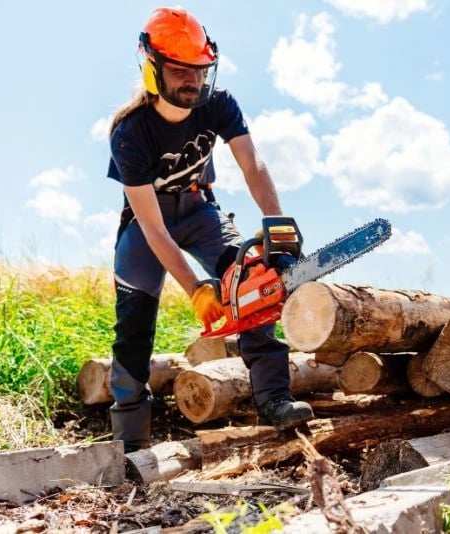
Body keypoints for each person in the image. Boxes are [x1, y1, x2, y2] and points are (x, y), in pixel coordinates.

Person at [106, 7, 313, 453]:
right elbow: (153, 227)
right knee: (134, 326)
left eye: (199, 72)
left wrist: (275, 223)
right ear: (152, 68)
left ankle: (275, 400)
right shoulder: (129, 132)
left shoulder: (219, 105)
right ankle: (130, 442)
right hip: (147, 226)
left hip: (200, 209)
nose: (192, 82)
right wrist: (196, 288)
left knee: (255, 281)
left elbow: (251, 163)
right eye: (180, 71)